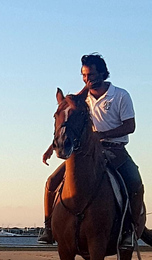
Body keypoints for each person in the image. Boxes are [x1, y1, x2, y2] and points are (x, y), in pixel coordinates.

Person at [39, 53, 143, 247]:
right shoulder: (81, 100)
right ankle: (49, 229)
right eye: (84, 76)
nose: (87, 80)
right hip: (85, 152)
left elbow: (130, 126)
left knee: (135, 182)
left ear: (103, 73)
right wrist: (51, 148)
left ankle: (131, 230)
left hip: (115, 150)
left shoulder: (120, 95)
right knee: (51, 182)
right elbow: (67, 126)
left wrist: (101, 135)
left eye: (91, 75)